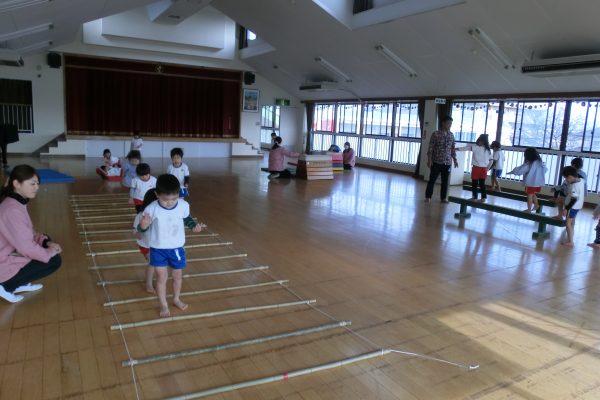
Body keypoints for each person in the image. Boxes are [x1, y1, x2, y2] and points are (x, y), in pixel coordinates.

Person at [138, 174, 203, 317]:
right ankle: (163, 304)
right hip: (158, 249)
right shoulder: (151, 208)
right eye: (165, 199)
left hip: (176, 248)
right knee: (162, 277)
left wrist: (194, 227)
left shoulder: (183, 205)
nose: (170, 202)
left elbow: (187, 218)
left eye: (174, 198)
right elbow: (141, 229)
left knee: (177, 275)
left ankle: (176, 299)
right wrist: (143, 226)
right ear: (157, 195)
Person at [0, 165, 62, 303]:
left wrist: (47, 243)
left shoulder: (16, 202)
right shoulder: (11, 209)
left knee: (47, 243)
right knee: (54, 260)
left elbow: (29, 233)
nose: (37, 187)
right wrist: (49, 252)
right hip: (3, 260)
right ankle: (5, 285)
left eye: (37, 184)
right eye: (32, 184)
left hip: (10, 252)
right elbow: (26, 247)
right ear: (16, 184)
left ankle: (16, 282)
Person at [425, 116, 458, 203]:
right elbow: (431, 147)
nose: (449, 125)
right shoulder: (435, 134)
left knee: (445, 181)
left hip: (447, 162)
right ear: (443, 123)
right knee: (432, 179)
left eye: (451, 123)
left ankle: (443, 198)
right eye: (448, 123)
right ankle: (428, 196)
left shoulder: (451, 135)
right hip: (436, 161)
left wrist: (455, 159)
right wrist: (429, 160)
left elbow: (453, 148)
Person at [508, 147, 547, 212]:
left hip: (531, 183)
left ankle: (529, 209)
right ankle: (536, 204)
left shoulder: (530, 163)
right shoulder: (541, 163)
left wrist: (512, 172)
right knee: (533, 194)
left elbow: (521, 170)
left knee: (529, 195)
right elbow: (545, 170)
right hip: (538, 183)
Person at [133, 190, 157, 293]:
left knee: (155, 264)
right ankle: (148, 284)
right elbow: (135, 231)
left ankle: (148, 278)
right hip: (146, 245)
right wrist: (139, 232)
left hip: (158, 244)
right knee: (152, 262)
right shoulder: (140, 216)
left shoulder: (160, 214)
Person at [456, 134, 493, 202]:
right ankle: (483, 198)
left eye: (479, 141)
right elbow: (491, 160)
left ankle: (474, 197)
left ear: (482, 141)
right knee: (482, 184)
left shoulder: (475, 147)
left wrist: (456, 149)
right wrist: (487, 169)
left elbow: (466, 148)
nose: (478, 142)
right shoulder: (488, 150)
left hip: (476, 169)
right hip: (484, 169)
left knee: (474, 184)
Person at [561, 166, 585, 246]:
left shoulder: (574, 186)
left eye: (566, 178)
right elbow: (580, 176)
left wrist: (566, 209)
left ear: (570, 177)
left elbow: (574, 199)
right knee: (571, 221)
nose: (565, 180)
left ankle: (570, 241)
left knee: (568, 223)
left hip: (572, 207)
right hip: (578, 206)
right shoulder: (581, 180)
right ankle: (570, 238)